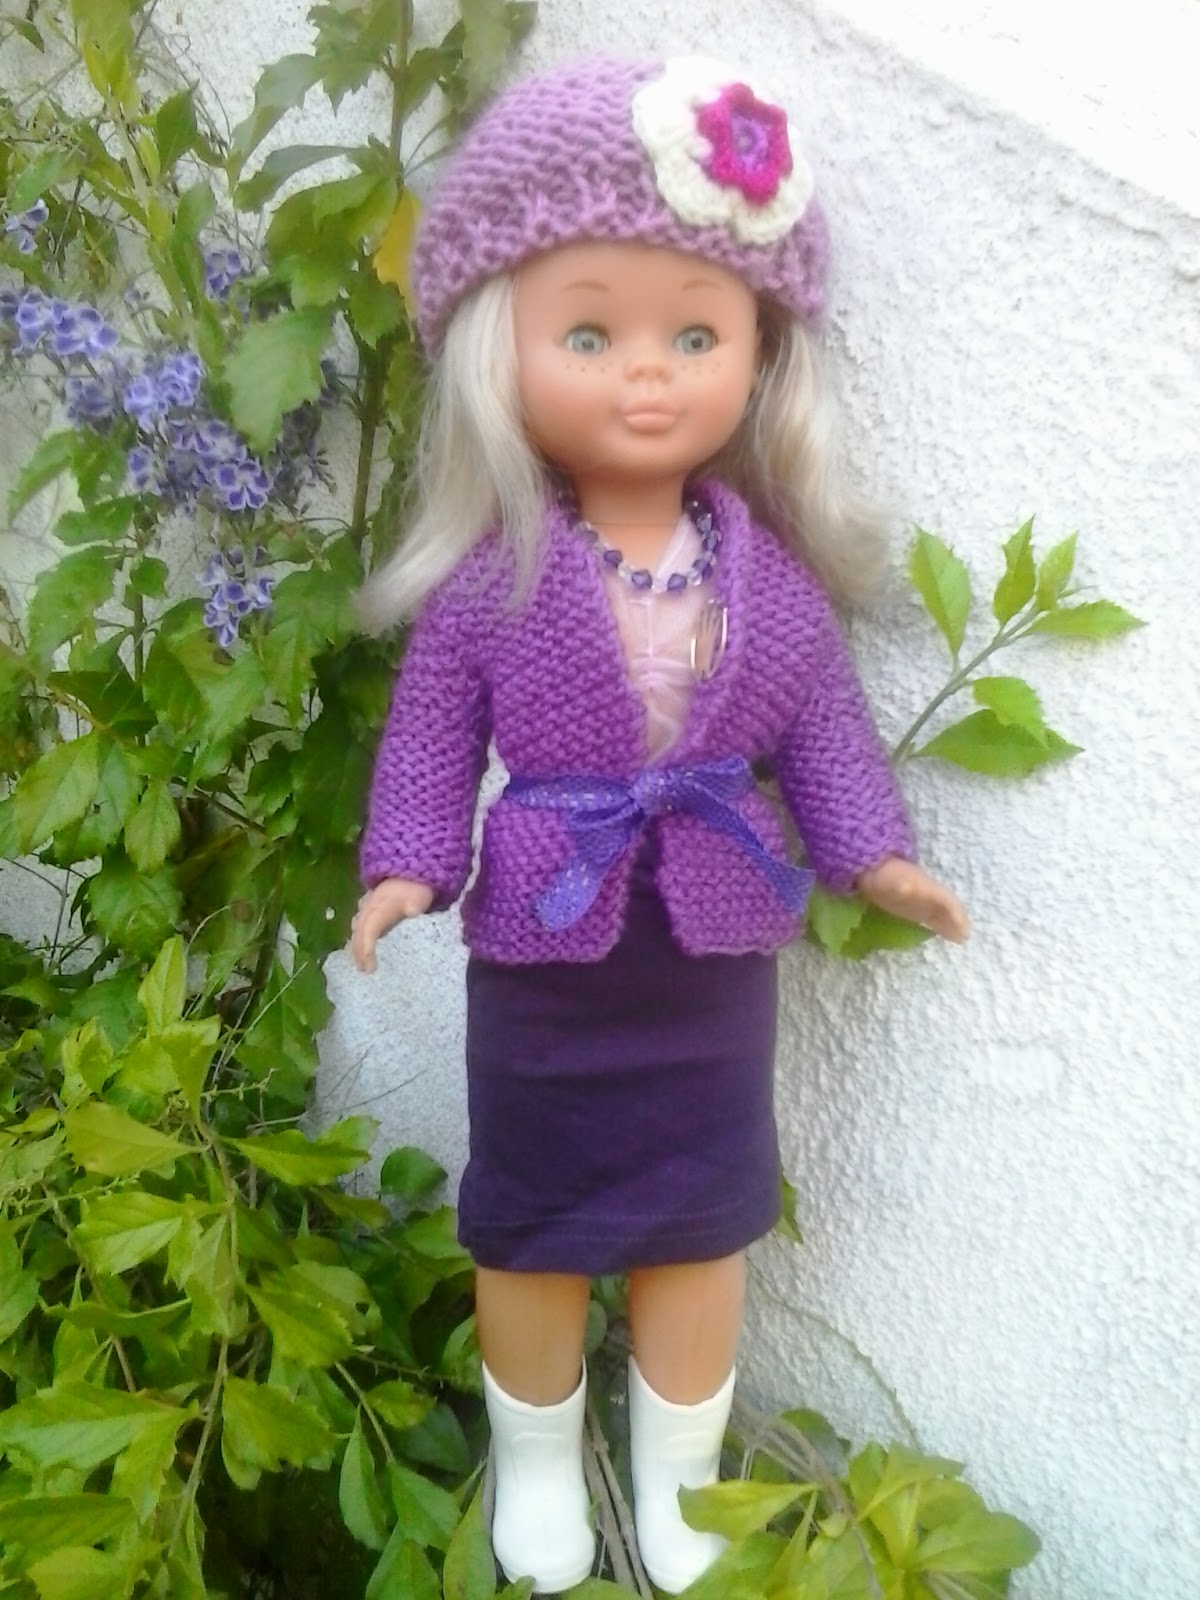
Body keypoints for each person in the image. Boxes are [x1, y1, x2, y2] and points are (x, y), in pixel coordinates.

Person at [350, 54, 968, 1595]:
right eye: (590, 334)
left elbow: (822, 729)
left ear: (759, 352)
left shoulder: (768, 581)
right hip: (546, 957)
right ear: (498, 356)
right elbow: (431, 732)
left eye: (696, 334)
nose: (649, 376)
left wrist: (874, 854)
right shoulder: (493, 578)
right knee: (532, 1223)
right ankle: (537, 1468)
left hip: (709, 961)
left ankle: (683, 1485)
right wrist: (406, 866)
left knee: (704, 1221)